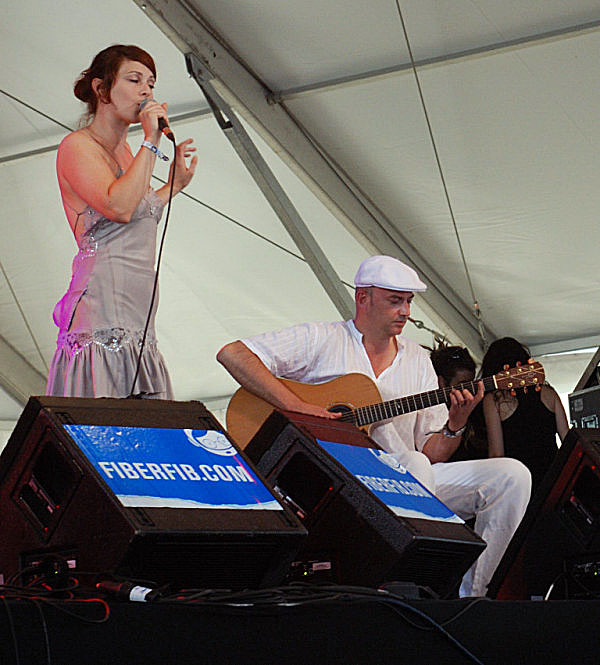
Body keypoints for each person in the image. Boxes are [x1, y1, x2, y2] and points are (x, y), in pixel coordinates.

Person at [217, 255, 532, 597]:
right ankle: (410, 586)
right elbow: (234, 354)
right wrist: (299, 407)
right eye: (395, 301)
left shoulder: (418, 360)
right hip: (338, 484)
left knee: (511, 475)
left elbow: (432, 450)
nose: (406, 311)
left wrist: (455, 425)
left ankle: (474, 597)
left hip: (413, 484)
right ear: (363, 298)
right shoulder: (322, 338)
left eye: (409, 302)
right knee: (413, 464)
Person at [46, 45, 197, 399]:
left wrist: (173, 186)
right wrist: (151, 138)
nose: (146, 91)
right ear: (101, 90)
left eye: (151, 83)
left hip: (137, 306)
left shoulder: (128, 152)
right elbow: (119, 207)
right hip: (101, 305)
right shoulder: (77, 146)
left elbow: (136, 215)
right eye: (134, 80)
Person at [482, 337, 569, 492]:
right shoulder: (548, 393)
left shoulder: (494, 400)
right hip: (553, 480)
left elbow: (497, 454)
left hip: (520, 484)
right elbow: (567, 440)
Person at [430, 344, 488, 462]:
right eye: (462, 385)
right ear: (441, 382)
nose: (468, 392)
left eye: (471, 384)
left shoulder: (475, 413)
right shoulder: (428, 415)